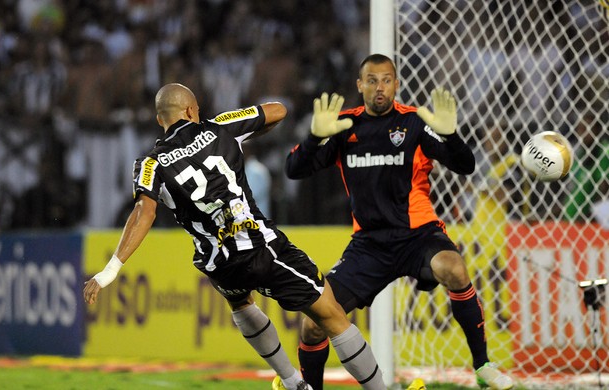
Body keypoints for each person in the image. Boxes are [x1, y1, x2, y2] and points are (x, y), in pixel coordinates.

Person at [83, 83, 386, 390]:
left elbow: (143, 213)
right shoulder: (220, 127)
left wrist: (111, 270)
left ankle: (294, 382)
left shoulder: (150, 163)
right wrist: (244, 130)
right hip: (260, 246)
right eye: (197, 109)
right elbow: (277, 111)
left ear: (161, 119)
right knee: (332, 316)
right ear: (190, 110)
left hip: (221, 264)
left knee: (240, 302)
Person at [285, 54, 514, 390]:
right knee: (314, 323)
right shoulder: (344, 126)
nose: (381, 87)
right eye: (373, 80)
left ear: (396, 83)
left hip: (418, 235)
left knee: (453, 267)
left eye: (387, 80)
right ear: (360, 84)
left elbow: (465, 165)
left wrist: (450, 136)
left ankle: (482, 366)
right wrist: (314, 138)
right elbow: (294, 170)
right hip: (369, 246)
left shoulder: (415, 123)